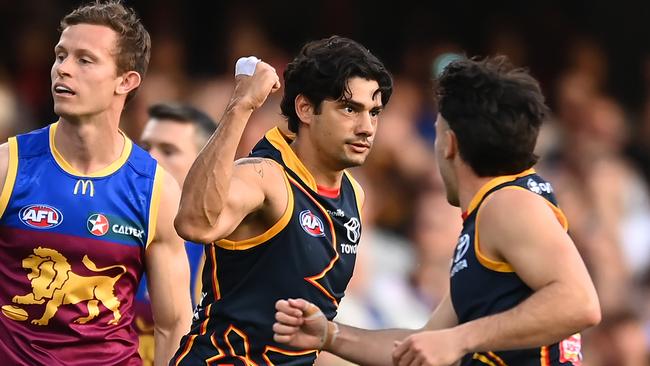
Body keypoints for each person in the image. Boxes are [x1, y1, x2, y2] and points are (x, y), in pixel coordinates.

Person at [273, 56, 601, 366]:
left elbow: (579, 303)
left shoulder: (507, 204)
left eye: (436, 131)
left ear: (449, 143)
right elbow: (427, 343)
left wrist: (460, 339)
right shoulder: (493, 212)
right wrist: (330, 335)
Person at [171, 36, 393, 365]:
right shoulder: (265, 177)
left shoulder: (353, 194)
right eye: (349, 109)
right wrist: (241, 106)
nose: (367, 128)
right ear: (305, 108)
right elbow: (193, 223)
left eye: (374, 113)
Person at [0, 2, 192, 365]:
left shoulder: (155, 190)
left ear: (126, 81)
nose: (63, 69)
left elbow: (173, 325)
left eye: (84, 60)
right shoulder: (8, 167)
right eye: (60, 55)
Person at [135, 102, 217, 365]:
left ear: (205, 164)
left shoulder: (219, 250)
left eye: (169, 151)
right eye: (146, 147)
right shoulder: (103, 227)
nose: (151, 159)